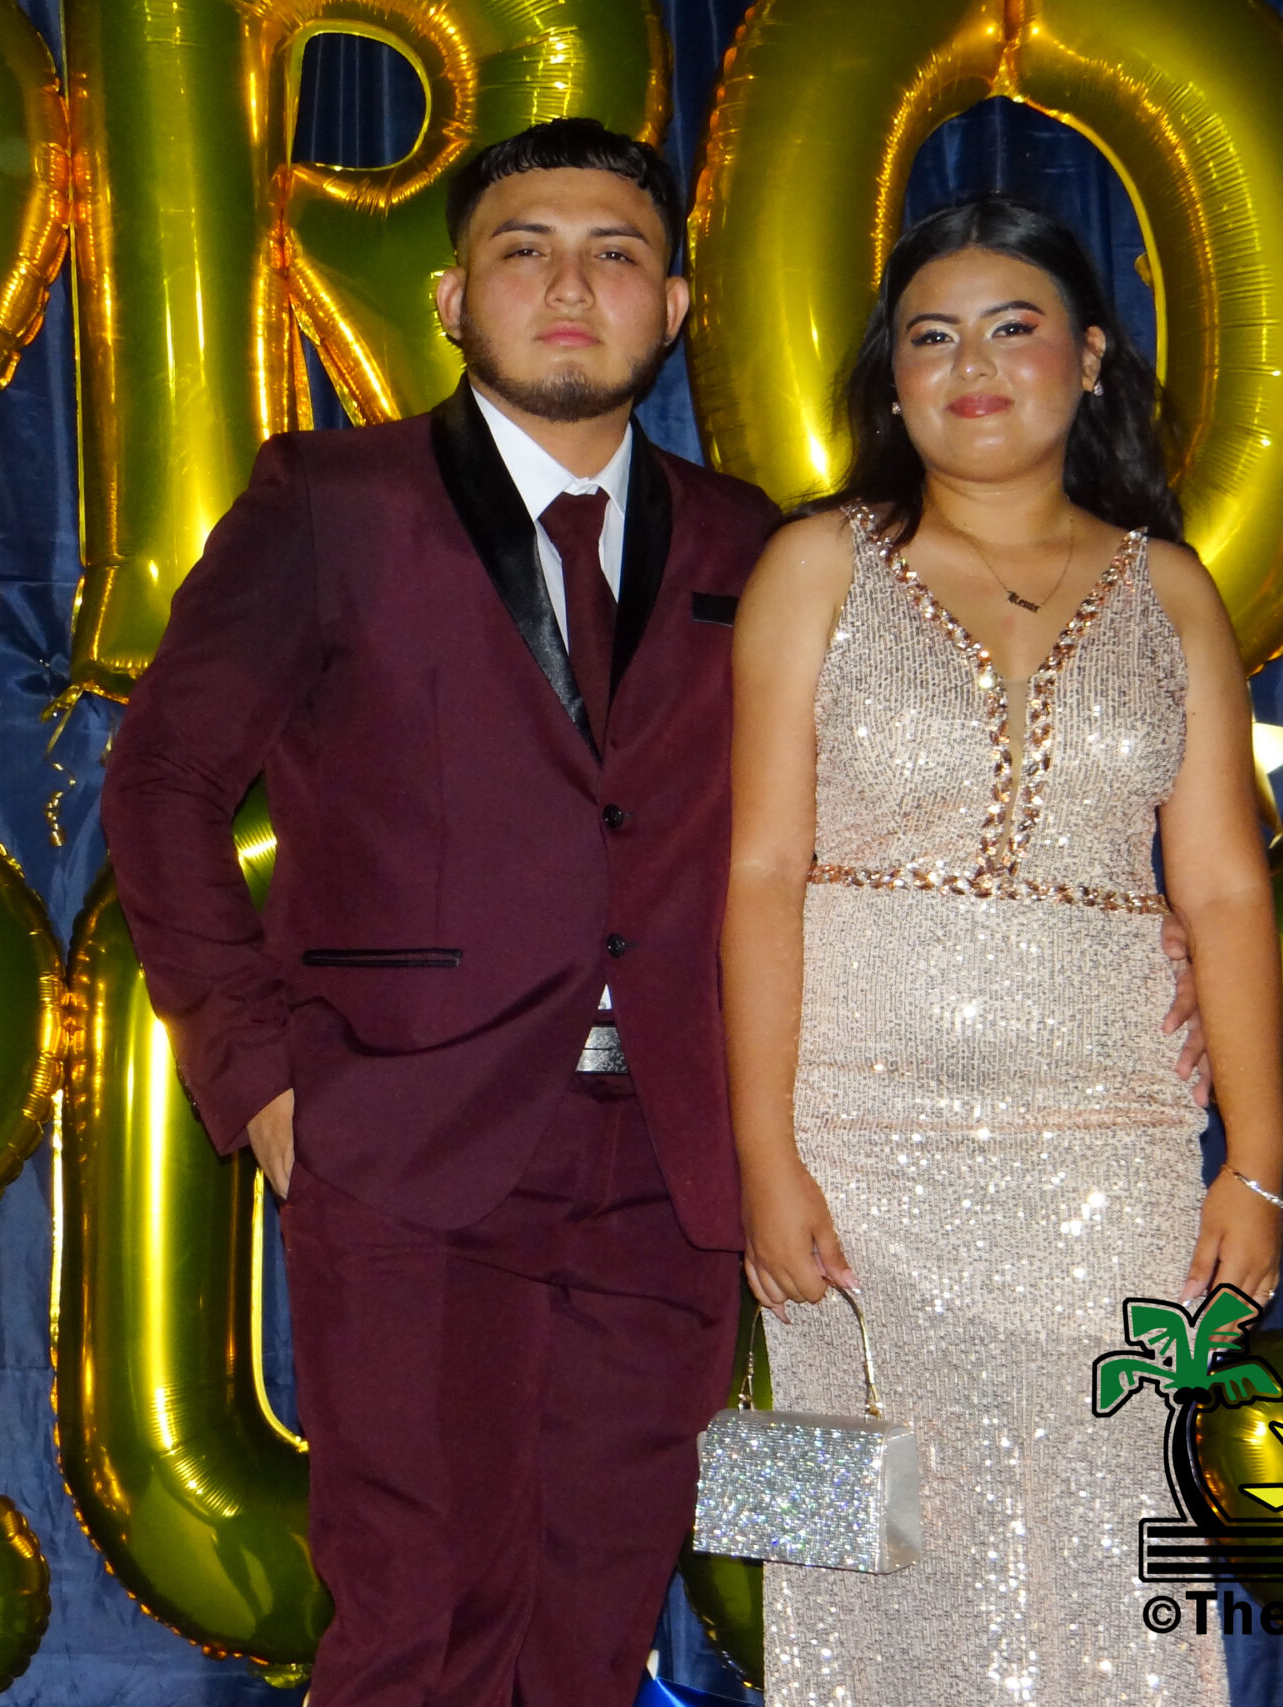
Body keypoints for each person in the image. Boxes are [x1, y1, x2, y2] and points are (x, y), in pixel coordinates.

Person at [101, 119, 780, 1705]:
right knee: (417, 1625)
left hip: (672, 1166)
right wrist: (257, 1074)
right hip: (408, 1139)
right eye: (524, 251)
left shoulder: (753, 538)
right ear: (453, 297)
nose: (571, 286)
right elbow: (164, 782)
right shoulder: (332, 499)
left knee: (593, 1633)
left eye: (616, 253)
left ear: (676, 307)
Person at [723, 194, 1283, 1703]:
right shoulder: (810, 564)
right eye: (931, 337)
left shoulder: (1174, 589)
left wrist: (1258, 1162)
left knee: (1120, 1553)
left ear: (1089, 359)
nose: (970, 365)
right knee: (846, 1564)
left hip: (1116, 1160)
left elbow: (1225, 890)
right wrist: (762, 1157)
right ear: (892, 380)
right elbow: (759, 870)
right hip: (848, 1157)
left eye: (1012, 327)